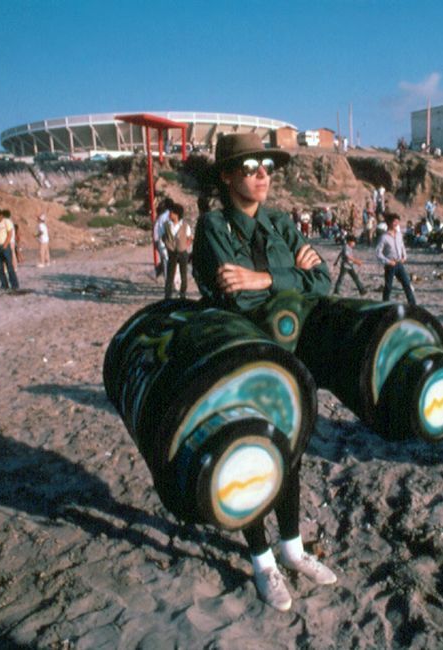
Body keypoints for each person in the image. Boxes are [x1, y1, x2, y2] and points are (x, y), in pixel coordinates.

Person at [190, 132, 335, 610]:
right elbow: (238, 295)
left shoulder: (280, 222)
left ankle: (292, 550)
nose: (261, 175)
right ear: (228, 175)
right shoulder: (213, 227)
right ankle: (262, 562)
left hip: (290, 355)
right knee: (248, 451)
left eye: (266, 167)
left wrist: (268, 277)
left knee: (289, 452)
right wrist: (284, 279)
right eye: (250, 167)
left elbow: (322, 280)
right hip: (239, 358)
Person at [376, 213, 416, 305]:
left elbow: (402, 246)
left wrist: (404, 257)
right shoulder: (384, 237)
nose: (396, 223)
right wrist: (388, 261)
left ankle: (413, 304)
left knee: (406, 284)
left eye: (397, 222)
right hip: (390, 265)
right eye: (394, 222)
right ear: (389, 223)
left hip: (399, 264)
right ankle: (384, 304)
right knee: (388, 286)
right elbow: (378, 253)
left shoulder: (399, 234)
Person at [162, 203, 192, 300]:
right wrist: (168, 245)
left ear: (176, 214)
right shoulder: (166, 225)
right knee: (170, 275)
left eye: (171, 212)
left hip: (182, 252)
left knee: (183, 274)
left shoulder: (185, 226)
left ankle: (182, 293)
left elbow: (189, 237)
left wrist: (185, 246)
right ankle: (168, 295)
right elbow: (163, 237)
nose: (170, 214)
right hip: (172, 252)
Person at [0, 207, 19, 291]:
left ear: (0, 215)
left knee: (9, 266)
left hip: (5, 246)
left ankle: (14, 285)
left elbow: (10, 233)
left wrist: (6, 244)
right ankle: (4, 284)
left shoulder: (6, 222)